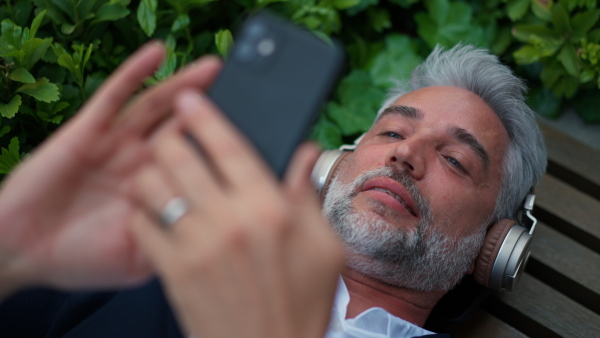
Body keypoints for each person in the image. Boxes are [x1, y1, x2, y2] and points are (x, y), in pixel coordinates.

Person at [0, 42, 546, 338]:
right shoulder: (145, 256)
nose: (406, 154)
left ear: (494, 245)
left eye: (454, 159)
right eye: (393, 132)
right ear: (336, 166)